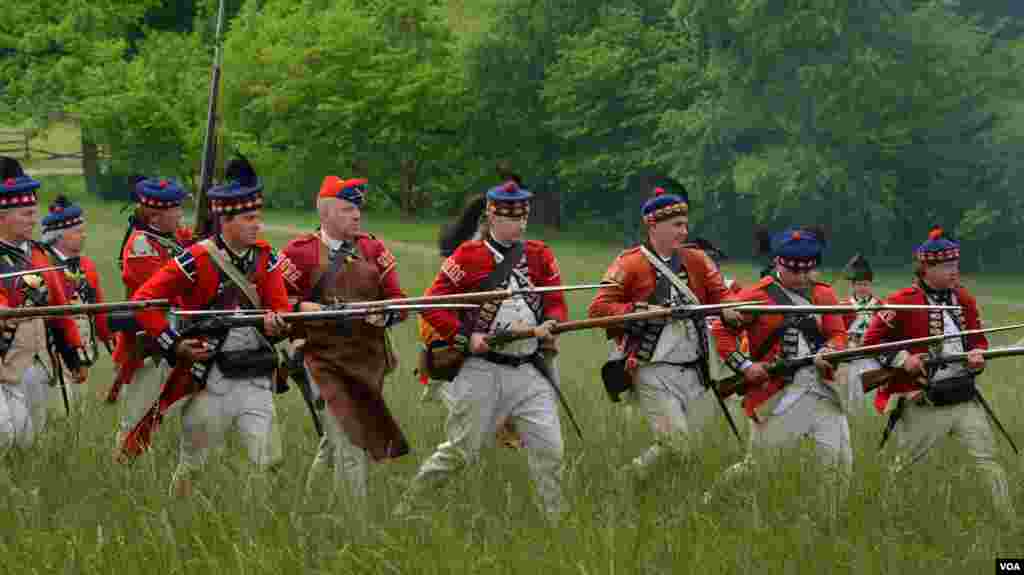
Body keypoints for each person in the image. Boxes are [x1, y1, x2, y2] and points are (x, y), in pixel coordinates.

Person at [396, 180, 568, 519]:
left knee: (551, 450)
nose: (520, 224)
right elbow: (432, 305)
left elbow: (556, 300)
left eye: (524, 217)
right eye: (511, 218)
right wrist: (465, 338)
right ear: (491, 218)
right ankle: (410, 504)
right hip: (482, 370)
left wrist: (553, 323)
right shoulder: (468, 256)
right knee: (462, 451)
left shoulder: (539, 254)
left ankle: (557, 520)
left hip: (531, 369)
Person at [130, 157, 290, 497]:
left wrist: (278, 324)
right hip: (208, 374)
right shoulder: (195, 259)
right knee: (194, 463)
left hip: (255, 372)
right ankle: (176, 520)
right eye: (249, 218)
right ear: (225, 220)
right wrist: (174, 345)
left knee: (268, 460)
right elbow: (143, 302)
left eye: (257, 217)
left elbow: (280, 308)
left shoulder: (265, 258)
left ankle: (257, 523)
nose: (257, 225)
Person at [862, 226, 1014, 522]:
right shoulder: (902, 300)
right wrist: (903, 359)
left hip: (963, 395)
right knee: (906, 466)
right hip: (925, 398)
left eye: (955, 265)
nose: (954, 272)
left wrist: (977, 359)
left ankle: (1007, 518)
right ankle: (889, 519)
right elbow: (871, 343)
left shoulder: (965, 300)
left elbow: (978, 341)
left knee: (988, 460)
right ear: (925, 269)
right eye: (946, 266)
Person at [587, 187, 736, 482]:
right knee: (677, 445)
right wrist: (642, 310)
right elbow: (599, 309)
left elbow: (722, 296)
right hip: (650, 368)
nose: (684, 231)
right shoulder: (629, 263)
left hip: (696, 369)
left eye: (685, 224)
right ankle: (625, 482)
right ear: (653, 226)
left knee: (686, 450)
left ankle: (632, 480)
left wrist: (730, 309)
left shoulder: (696, 260)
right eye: (677, 225)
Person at [281, 175, 409, 508]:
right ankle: (356, 526)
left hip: (365, 360)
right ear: (325, 215)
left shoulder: (373, 249)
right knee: (353, 441)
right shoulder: (299, 252)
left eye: (358, 209)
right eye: (347, 209)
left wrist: (386, 314)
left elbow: (398, 301)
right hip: (321, 361)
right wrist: (301, 307)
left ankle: (306, 511)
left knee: (334, 439)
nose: (356, 215)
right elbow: (275, 301)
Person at [706, 226, 850, 513]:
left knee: (839, 464)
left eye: (808, 271)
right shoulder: (757, 295)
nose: (803, 278)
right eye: (796, 273)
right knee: (758, 467)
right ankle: (713, 500)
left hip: (823, 390)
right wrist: (745, 366)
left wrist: (831, 351)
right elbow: (722, 330)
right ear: (780, 265)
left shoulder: (824, 295)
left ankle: (825, 522)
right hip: (777, 395)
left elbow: (838, 334)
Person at [0, 157, 87, 448]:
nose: (33, 219)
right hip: (6, 360)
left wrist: (72, 354)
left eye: (33, 212)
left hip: (39, 362)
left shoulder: (39, 254)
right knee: (7, 436)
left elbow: (59, 310)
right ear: (3, 216)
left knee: (30, 440)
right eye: (25, 213)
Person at [109, 177, 194, 453]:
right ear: (156, 217)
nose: (181, 214)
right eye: (175, 210)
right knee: (136, 420)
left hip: (173, 340)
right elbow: (168, 290)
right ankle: (124, 470)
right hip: (148, 346)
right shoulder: (140, 247)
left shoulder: (168, 238)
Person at [39, 195, 113, 409]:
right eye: (78, 231)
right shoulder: (43, 266)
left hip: (84, 351)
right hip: (54, 351)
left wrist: (111, 343)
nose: (84, 235)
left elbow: (98, 310)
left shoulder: (87, 265)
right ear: (58, 237)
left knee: (77, 408)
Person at [840, 253, 881, 407]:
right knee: (852, 380)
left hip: (874, 349)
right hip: (852, 350)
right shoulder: (844, 305)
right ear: (853, 285)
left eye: (865, 284)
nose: (862, 288)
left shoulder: (880, 305)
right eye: (859, 284)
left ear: (871, 285)